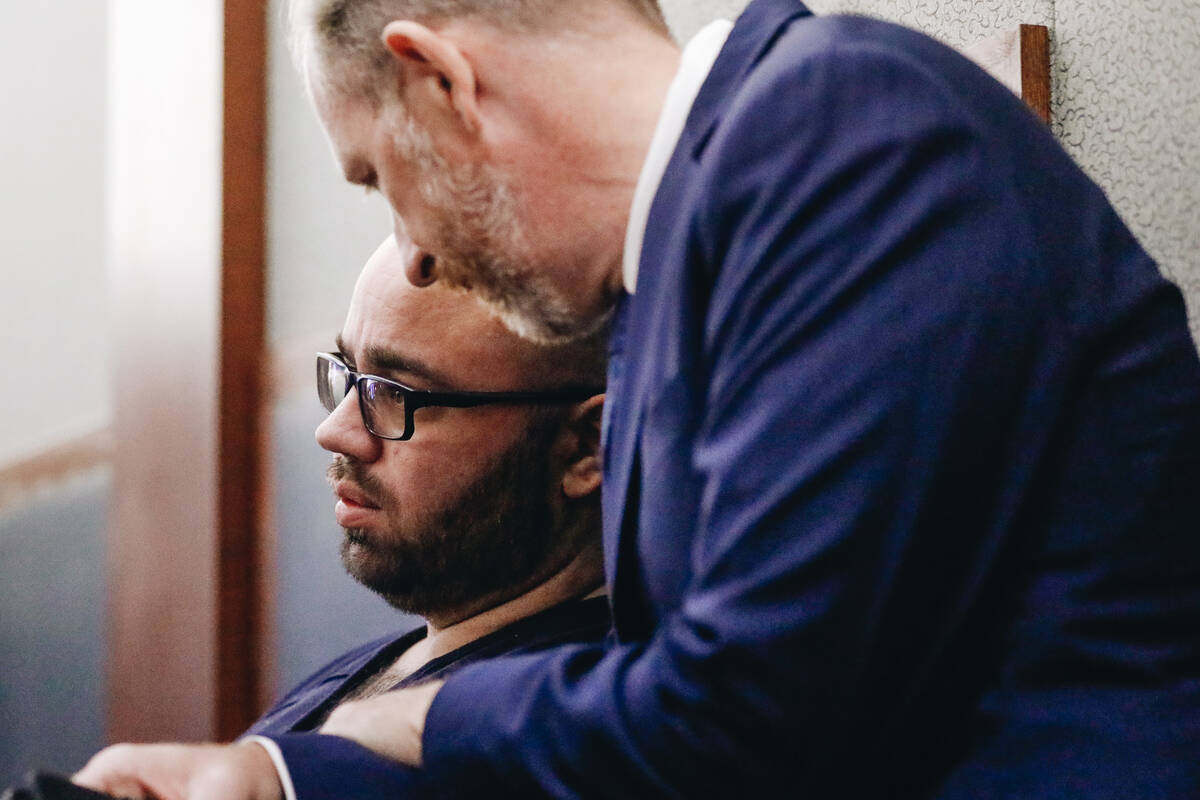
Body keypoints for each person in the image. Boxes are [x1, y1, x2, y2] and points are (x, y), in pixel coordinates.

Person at [79, 0, 1200, 797]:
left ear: (441, 81)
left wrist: (391, 719)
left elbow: (749, 715)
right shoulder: (696, 260)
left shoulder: (841, 129)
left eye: (379, 179)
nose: (412, 259)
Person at [72, 235, 609, 797]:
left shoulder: (578, 737)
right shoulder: (352, 678)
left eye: (396, 392)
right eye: (348, 374)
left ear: (582, 448)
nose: (335, 431)